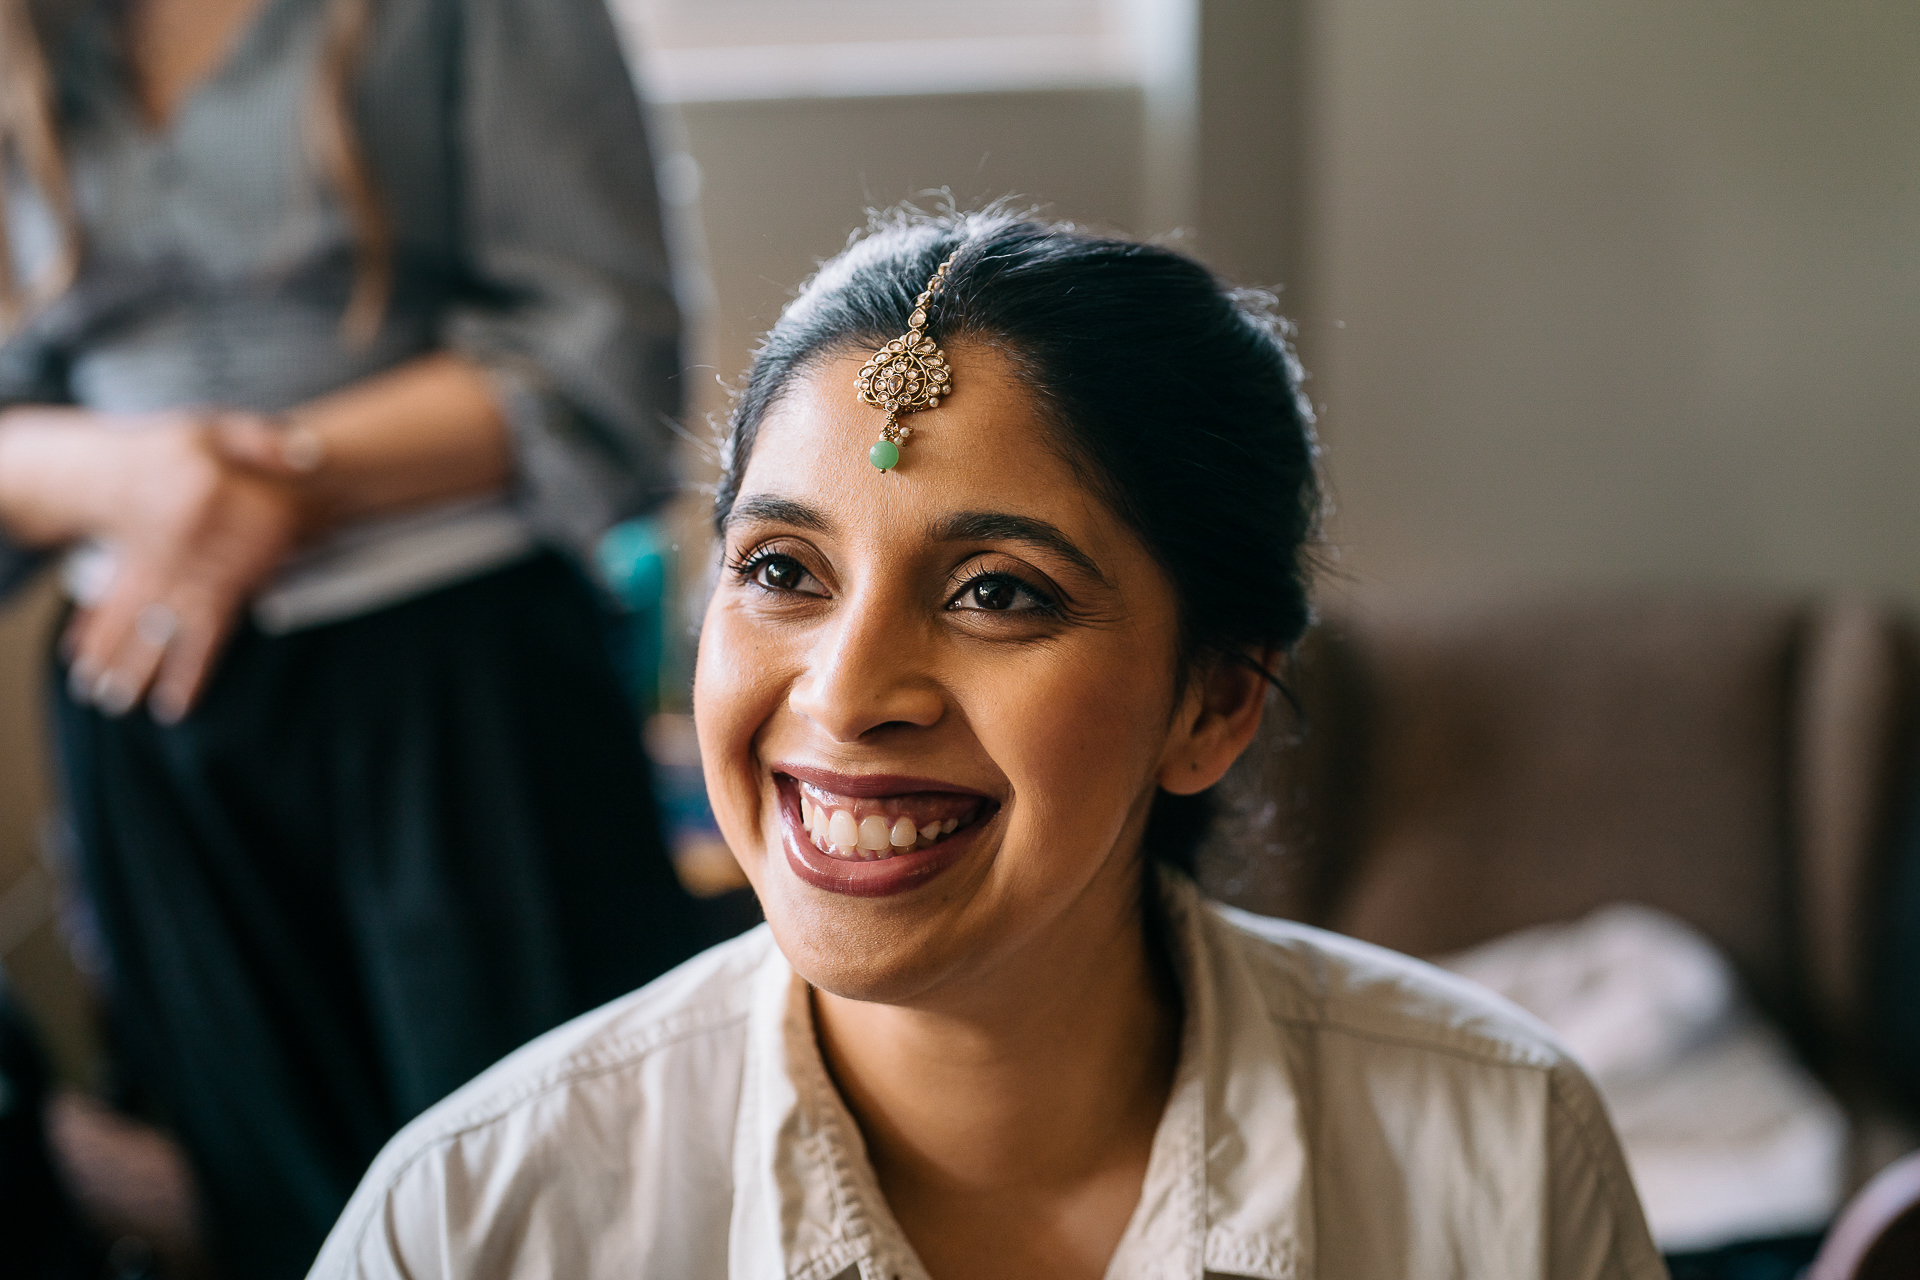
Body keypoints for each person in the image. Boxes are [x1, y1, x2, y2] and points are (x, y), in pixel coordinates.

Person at [306, 211, 1666, 1279]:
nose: (845, 696)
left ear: (1216, 702)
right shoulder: (477, 1224)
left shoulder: (1500, 1155)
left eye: (997, 593)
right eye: (781, 569)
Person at [0, 0, 709, 1274]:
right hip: (148, 698)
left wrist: (281, 485)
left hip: (457, 679)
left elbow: (607, 347)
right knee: (268, 1209)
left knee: (550, 1200)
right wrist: (143, 476)